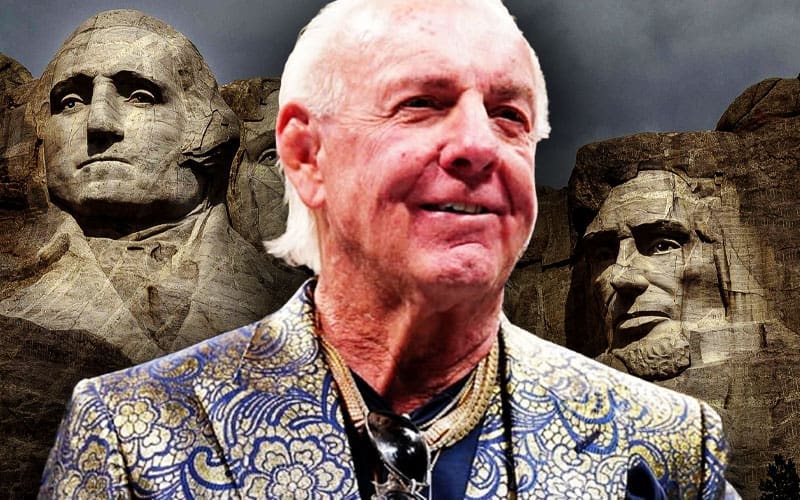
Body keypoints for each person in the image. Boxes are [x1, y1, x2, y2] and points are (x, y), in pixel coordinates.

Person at [41, 1, 735, 498]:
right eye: (419, 106)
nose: (475, 148)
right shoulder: (129, 432)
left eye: (508, 116)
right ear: (305, 156)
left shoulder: (667, 446)